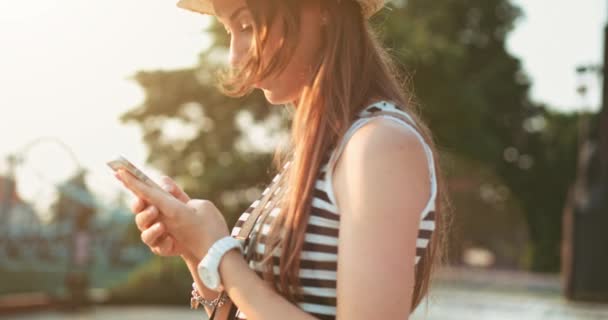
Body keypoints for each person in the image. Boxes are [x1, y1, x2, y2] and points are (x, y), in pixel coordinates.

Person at [115, 0, 450, 319]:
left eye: (246, 26)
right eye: (230, 31)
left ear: (321, 10)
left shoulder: (379, 145)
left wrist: (219, 253)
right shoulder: (317, 152)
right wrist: (196, 250)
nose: (234, 56)